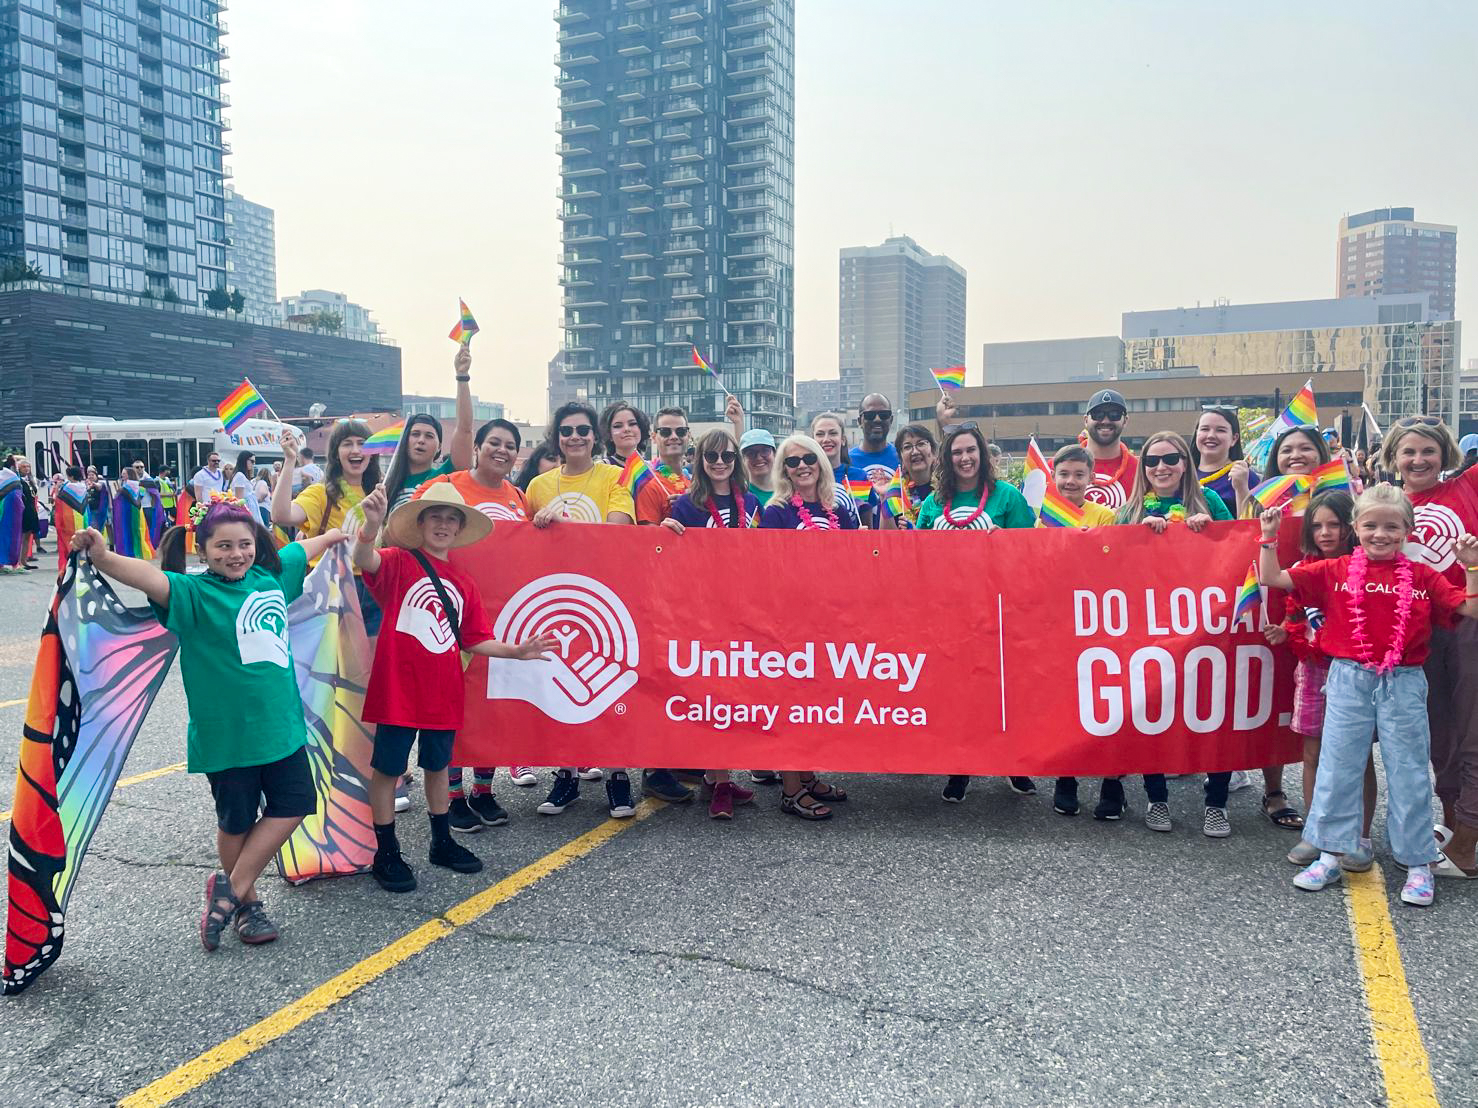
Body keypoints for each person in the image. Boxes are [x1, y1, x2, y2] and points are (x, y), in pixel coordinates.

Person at [71, 499, 347, 948]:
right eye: (223, 546)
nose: (235, 554)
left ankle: (229, 888)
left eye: (244, 544)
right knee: (236, 821)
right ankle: (248, 903)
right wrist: (102, 556)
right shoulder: (194, 594)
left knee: (295, 802)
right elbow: (149, 577)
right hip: (227, 737)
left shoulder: (270, 576)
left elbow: (303, 549)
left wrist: (336, 536)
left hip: (282, 728)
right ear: (202, 550)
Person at [1260, 486, 1478, 907]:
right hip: (1348, 677)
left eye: (1391, 526)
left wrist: (1471, 567)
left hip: (1405, 679)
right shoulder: (1335, 569)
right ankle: (1330, 853)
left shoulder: (1423, 576)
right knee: (1337, 767)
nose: (1381, 534)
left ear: (1407, 531)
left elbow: (1470, 609)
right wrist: (1268, 537)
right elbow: (1273, 578)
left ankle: (1417, 864)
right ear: (1356, 528)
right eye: (1372, 525)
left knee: (1409, 771)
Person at [351, 483, 554, 892]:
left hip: (443, 689)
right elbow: (363, 559)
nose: (443, 525)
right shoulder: (399, 562)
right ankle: (386, 850)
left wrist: (516, 651)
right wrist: (369, 527)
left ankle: (441, 841)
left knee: (438, 766)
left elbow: (473, 638)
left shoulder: (464, 582)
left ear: (459, 529)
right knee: (388, 769)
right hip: (398, 687)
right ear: (420, 523)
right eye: (435, 517)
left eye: (451, 519)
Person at [1105, 432, 1236, 834]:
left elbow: (1236, 551)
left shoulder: (1208, 502)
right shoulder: (1128, 510)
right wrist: (1135, 536)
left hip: (1204, 627)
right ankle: (1156, 799)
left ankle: (1216, 803)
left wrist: (1208, 530)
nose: (1161, 467)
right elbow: (1105, 565)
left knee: (1214, 712)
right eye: (1151, 460)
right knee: (1152, 712)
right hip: (1148, 628)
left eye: (1171, 458)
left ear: (1186, 463)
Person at [417, 417, 537, 814]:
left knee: (492, 706)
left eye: (509, 445)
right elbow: (412, 527)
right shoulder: (447, 486)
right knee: (455, 706)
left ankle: (483, 790)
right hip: (449, 613)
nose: (501, 451)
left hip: (503, 612)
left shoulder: (518, 496)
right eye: (494, 443)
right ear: (479, 446)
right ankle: (452, 796)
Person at [527, 402, 640, 818]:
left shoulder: (615, 476)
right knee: (558, 688)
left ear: (596, 436)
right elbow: (522, 547)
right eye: (566, 430)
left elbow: (617, 529)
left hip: (608, 595)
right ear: (556, 437)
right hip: (556, 597)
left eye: (583, 430)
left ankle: (618, 777)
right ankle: (566, 777)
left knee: (612, 688)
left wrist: (561, 526)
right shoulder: (538, 485)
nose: (574, 437)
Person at [914, 425, 1035, 801]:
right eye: (957, 452)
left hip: (998, 610)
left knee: (1002, 692)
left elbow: (1028, 551)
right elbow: (916, 556)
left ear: (982, 454)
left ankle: (1013, 764)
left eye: (971, 451)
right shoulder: (936, 502)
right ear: (947, 459)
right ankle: (959, 767)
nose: (965, 458)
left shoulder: (1008, 496)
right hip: (949, 613)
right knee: (959, 693)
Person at [1379, 417, 1478, 877]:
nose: (1418, 460)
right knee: (1439, 737)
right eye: (1408, 452)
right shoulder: (1389, 507)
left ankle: (1466, 847)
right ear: (1393, 458)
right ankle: (1458, 828)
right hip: (1423, 635)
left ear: (1446, 456)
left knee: (1472, 733)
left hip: (1469, 626)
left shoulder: (1468, 486)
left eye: (1428, 452)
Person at [1266, 491, 1378, 870]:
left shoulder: (1371, 567)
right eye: (1317, 526)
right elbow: (1295, 608)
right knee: (1312, 754)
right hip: (1314, 670)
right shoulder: (1304, 567)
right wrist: (1286, 629)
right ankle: (1317, 831)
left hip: (1358, 671)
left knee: (1359, 757)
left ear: (1352, 527)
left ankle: (1359, 837)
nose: (1325, 532)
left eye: (1334, 524)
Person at [659, 428, 763, 819]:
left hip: (742, 612)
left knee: (735, 696)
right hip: (700, 614)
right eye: (711, 457)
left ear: (736, 462)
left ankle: (714, 775)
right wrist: (664, 531)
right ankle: (720, 781)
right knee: (712, 697)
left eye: (728, 457)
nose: (720, 463)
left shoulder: (750, 503)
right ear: (699, 461)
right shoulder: (687, 506)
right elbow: (667, 558)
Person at [759, 433, 855, 818]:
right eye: (793, 462)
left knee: (817, 704)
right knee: (792, 703)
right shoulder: (776, 512)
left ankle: (808, 774)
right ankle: (791, 788)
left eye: (808, 459)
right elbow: (765, 570)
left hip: (830, 621)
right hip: (791, 624)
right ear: (784, 470)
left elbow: (856, 566)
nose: (802, 467)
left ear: (821, 463)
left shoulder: (841, 512)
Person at [1042, 445, 1122, 817]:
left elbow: (1116, 564)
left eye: (1078, 475)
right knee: (1064, 703)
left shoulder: (1106, 516)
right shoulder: (1040, 516)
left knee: (1109, 702)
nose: (1071, 481)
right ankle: (1066, 778)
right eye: (1064, 475)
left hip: (1098, 619)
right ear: (1053, 477)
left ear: (1091, 479)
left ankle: (1112, 783)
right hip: (1056, 620)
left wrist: (1095, 546)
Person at [600, 400, 676, 525]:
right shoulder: (602, 468)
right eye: (618, 426)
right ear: (608, 434)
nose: (626, 429)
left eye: (632, 424)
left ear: (641, 429)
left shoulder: (657, 469)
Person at [1190, 407, 1256, 516]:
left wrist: (1241, 488)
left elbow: (1254, 525)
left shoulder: (1245, 476)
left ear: (1234, 439)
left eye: (1220, 430)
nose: (1211, 435)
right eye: (1205, 429)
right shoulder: (1181, 474)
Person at [1080, 388, 1138, 510]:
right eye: (1098, 414)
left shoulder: (1142, 471)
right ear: (1086, 420)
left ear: (1125, 421)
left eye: (1114, 415)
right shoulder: (1057, 468)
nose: (1105, 421)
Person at [812, 412, 873, 527]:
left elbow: (868, 523)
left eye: (833, 433)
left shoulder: (859, 477)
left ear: (843, 440)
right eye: (820, 434)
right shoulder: (806, 477)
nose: (826, 439)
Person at [879, 424, 936, 530]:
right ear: (901, 457)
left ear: (932, 451)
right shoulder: (896, 491)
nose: (915, 452)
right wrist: (884, 498)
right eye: (907, 447)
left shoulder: (946, 487)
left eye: (921, 444)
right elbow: (886, 539)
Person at [851, 393, 899, 486]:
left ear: (891, 420)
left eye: (884, 415)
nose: (877, 419)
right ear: (859, 421)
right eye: (870, 415)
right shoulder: (847, 462)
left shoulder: (902, 458)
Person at [51, 466, 89, 575]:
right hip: (82, 517)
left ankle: (69, 562)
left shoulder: (67, 487)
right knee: (81, 539)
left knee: (68, 540)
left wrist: (57, 488)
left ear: (71, 476)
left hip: (68, 518)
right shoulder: (83, 486)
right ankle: (82, 561)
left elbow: (57, 500)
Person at [740, 428, 776, 506]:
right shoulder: (739, 494)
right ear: (743, 459)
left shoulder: (789, 491)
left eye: (765, 451)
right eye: (751, 453)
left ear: (775, 454)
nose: (759, 457)